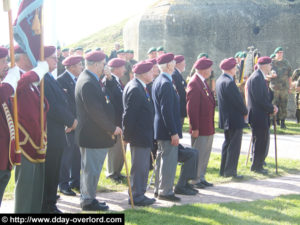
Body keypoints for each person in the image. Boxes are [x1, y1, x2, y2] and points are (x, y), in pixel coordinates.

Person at [75, 51, 122, 211]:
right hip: (92, 135)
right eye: (103, 64)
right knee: (91, 170)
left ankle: (89, 198)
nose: (105, 67)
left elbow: (106, 97)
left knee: (91, 170)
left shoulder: (92, 79)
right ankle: (88, 201)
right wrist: (111, 128)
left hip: (94, 135)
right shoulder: (88, 82)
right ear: (95, 64)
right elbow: (96, 112)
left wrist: (109, 80)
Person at [42, 46, 77, 214]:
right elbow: (53, 107)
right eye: (53, 58)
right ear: (43, 59)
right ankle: (47, 206)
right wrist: (70, 120)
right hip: (50, 133)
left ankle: (50, 201)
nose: (56, 61)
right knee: (50, 171)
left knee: (54, 170)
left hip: (57, 132)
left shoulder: (49, 77)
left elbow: (62, 101)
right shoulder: (42, 78)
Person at [122, 60, 156, 206]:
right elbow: (129, 115)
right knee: (139, 166)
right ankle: (136, 196)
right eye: (150, 71)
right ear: (142, 74)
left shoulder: (140, 86)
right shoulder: (136, 88)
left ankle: (140, 193)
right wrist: (126, 136)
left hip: (144, 134)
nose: (153, 73)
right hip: (139, 135)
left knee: (143, 166)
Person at [152, 53, 182, 202]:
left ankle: (159, 189)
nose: (175, 63)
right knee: (168, 161)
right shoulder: (165, 83)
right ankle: (166, 191)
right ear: (169, 65)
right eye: (173, 61)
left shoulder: (160, 80)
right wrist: (173, 132)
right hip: (167, 130)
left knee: (161, 160)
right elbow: (167, 111)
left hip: (161, 128)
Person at [216, 57, 248, 179]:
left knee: (227, 144)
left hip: (227, 118)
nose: (236, 69)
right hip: (234, 118)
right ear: (231, 69)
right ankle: (230, 171)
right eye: (235, 67)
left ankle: (224, 169)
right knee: (234, 146)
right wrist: (245, 111)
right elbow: (238, 102)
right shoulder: (229, 82)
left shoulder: (220, 80)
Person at [186, 57, 215, 189]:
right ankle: (195, 179)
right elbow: (192, 108)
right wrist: (195, 127)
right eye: (209, 68)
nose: (211, 70)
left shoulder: (202, 81)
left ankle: (201, 177)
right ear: (203, 70)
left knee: (205, 153)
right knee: (199, 153)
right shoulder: (194, 83)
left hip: (207, 125)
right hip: (201, 127)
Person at [57, 56, 84, 196]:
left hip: (79, 124)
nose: (82, 67)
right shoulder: (60, 80)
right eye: (79, 65)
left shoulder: (79, 79)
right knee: (66, 155)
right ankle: (63, 184)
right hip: (69, 124)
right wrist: (70, 122)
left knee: (77, 155)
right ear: (72, 67)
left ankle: (76, 181)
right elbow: (62, 104)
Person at [247, 56, 278, 174]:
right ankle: (256, 166)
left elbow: (266, 97)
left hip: (261, 114)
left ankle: (259, 164)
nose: (271, 67)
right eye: (270, 65)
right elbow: (259, 99)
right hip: (257, 115)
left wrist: (268, 83)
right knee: (259, 141)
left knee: (262, 140)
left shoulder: (261, 78)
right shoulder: (256, 78)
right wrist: (271, 108)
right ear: (264, 65)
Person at [0, 47, 21, 206]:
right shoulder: (3, 87)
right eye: (3, 61)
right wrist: (11, 79)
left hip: (4, 158)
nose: (7, 65)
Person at [103, 58, 126, 183]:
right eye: (122, 67)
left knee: (120, 149)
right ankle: (111, 173)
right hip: (114, 120)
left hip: (120, 119)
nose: (125, 70)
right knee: (114, 148)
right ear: (116, 69)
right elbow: (109, 102)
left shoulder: (117, 81)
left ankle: (117, 171)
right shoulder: (108, 81)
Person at [270, 47, 292, 128]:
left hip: (284, 88)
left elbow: (290, 76)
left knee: (284, 104)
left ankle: (283, 122)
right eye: (278, 52)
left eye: (281, 52)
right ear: (275, 53)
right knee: (273, 104)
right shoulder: (271, 62)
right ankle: (273, 122)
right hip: (274, 87)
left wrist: (290, 87)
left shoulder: (286, 63)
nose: (280, 54)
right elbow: (267, 74)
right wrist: (271, 75)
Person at [172, 55, 187, 128]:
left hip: (181, 108)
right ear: (177, 64)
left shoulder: (178, 74)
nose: (185, 65)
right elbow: (179, 92)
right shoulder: (175, 75)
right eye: (183, 63)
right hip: (178, 109)